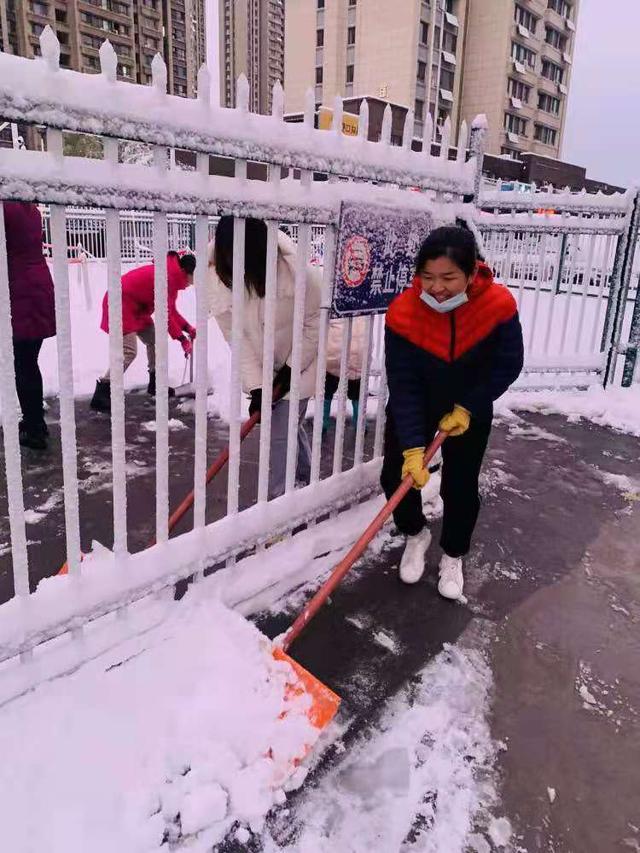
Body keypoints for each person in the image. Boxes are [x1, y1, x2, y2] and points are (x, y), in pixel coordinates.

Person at [381, 225, 524, 600]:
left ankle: (454, 553)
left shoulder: (498, 307)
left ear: (472, 272)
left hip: (470, 405)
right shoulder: (403, 313)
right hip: (419, 402)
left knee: (460, 486)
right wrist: (413, 447)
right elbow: (404, 382)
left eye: (448, 277)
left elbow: (507, 364)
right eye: (427, 277)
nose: (437, 287)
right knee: (396, 476)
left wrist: (469, 406)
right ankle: (415, 533)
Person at [208, 217, 322, 499]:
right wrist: (258, 386)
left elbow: (315, 323)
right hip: (262, 367)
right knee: (287, 427)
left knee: (278, 435)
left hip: (302, 361)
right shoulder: (218, 280)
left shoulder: (298, 274)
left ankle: (277, 502)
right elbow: (239, 341)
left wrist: (289, 370)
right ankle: (305, 477)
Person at [91, 251, 196, 413]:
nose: (192, 283)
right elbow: (165, 316)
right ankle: (103, 392)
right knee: (129, 352)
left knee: (155, 341)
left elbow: (171, 311)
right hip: (120, 304)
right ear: (185, 273)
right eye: (193, 278)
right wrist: (182, 339)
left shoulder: (172, 277)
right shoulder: (167, 278)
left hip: (136, 307)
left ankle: (155, 383)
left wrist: (187, 328)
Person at [3, 201, 56, 451]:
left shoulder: (5, 207)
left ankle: (34, 428)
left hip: (19, 290)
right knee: (27, 361)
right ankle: (35, 422)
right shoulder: (30, 208)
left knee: (22, 363)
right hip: (37, 286)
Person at [323, 316, 366, 432]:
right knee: (357, 392)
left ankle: (323, 421)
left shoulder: (336, 302)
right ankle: (360, 423)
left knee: (326, 390)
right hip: (359, 354)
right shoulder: (364, 305)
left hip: (334, 354)